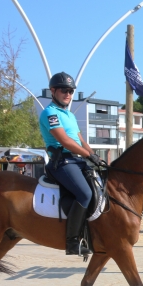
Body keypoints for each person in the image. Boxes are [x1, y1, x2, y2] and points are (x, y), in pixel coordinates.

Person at [39, 72, 104, 256]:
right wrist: (87, 155)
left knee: (102, 185)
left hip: (77, 160)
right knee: (85, 193)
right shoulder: (50, 113)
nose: (68, 94)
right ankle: (72, 241)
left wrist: (93, 156)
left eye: (70, 91)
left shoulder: (70, 115)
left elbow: (80, 140)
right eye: (64, 90)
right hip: (62, 162)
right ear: (53, 91)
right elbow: (65, 141)